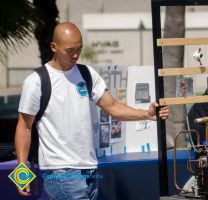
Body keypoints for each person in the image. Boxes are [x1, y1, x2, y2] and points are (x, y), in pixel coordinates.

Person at [15, 22, 169, 199]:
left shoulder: (87, 73)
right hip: (60, 172)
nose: (76, 55)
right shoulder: (35, 81)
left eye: (79, 49)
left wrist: (147, 114)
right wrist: (21, 175)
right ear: (53, 47)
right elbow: (24, 127)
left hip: (90, 169)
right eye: (70, 50)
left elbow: (112, 107)